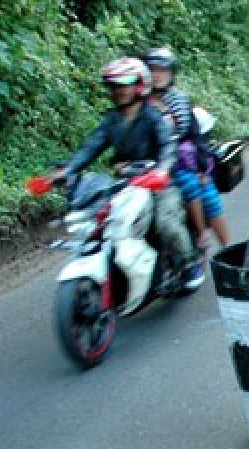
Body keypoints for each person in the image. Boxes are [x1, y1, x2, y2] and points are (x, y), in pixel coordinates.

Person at [53, 58, 200, 287]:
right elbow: (92, 146)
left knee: (166, 224)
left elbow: (168, 145)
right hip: (125, 184)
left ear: (140, 85)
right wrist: (69, 169)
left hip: (157, 184)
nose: (120, 90)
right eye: (115, 86)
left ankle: (188, 265)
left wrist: (162, 170)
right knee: (101, 223)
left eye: (125, 84)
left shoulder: (153, 115)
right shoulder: (112, 120)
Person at [145, 46, 230, 260]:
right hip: (149, 166)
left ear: (171, 73)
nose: (157, 75)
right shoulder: (139, 104)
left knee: (207, 195)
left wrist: (202, 169)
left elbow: (196, 137)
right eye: (152, 70)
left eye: (162, 70)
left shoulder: (180, 102)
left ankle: (227, 251)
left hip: (184, 163)